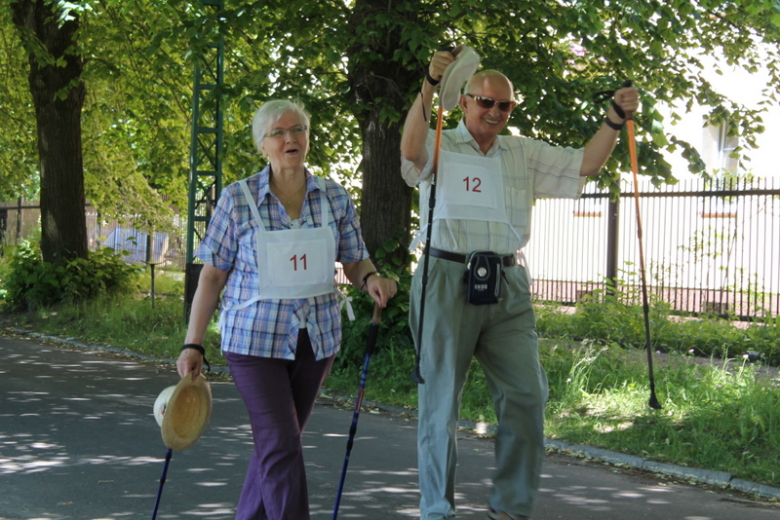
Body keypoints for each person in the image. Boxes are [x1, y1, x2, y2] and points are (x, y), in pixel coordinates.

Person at [400, 49, 639, 520]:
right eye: (485, 102)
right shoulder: (440, 142)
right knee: (440, 401)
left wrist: (614, 118)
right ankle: (436, 510)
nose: (494, 112)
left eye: (504, 106)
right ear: (465, 102)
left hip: (507, 281)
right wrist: (430, 83)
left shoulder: (522, 152)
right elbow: (410, 152)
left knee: (528, 395)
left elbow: (585, 165)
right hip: (445, 276)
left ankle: (509, 508)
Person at [177, 99, 397, 520]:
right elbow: (212, 277)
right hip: (254, 341)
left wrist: (371, 280)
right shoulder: (237, 200)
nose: (290, 138)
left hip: (315, 342)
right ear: (263, 145)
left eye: (297, 130)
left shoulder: (333, 197)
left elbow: (355, 258)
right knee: (280, 442)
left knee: (278, 443)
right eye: (278, 132)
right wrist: (193, 344)